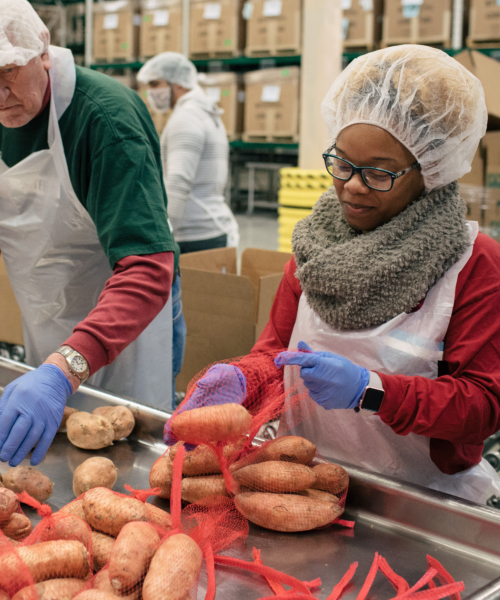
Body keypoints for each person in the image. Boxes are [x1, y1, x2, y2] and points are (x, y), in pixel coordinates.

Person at [165, 46, 500, 505]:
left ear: (432, 170)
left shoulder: (472, 263)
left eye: (379, 173)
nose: (353, 186)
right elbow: (276, 353)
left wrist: (373, 390)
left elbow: (481, 407)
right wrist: (244, 376)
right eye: (341, 164)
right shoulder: (316, 247)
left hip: (421, 502)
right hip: (300, 482)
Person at [0, 0, 180, 467]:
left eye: (8, 71)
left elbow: (147, 268)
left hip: (122, 332)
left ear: (43, 52)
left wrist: (65, 369)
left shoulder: (104, 121)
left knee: (124, 464)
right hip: (46, 324)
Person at [137, 53, 239, 254]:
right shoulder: (204, 113)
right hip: (211, 229)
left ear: (179, 84)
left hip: (194, 234)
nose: (151, 92)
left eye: (156, 84)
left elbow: (177, 182)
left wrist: (163, 235)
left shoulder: (186, 119)